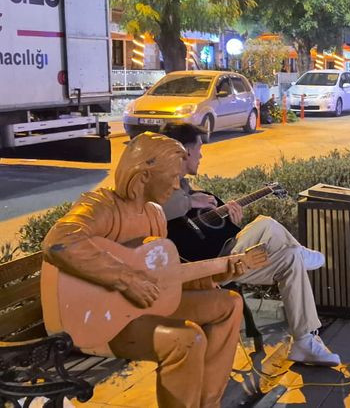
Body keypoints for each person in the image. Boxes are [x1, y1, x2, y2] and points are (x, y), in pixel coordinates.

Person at [43, 132, 248, 408]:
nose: (178, 185)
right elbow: (58, 242)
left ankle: (208, 403)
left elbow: (165, 276)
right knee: (187, 339)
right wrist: (125, 278)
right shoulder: (101, 206)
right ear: (144, 175)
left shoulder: (154, 214)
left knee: (230, 303)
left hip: (146, 308)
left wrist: (220, 273)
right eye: (173, 176)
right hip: (106, 322)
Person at [159, 123, 341, 366]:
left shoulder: (183, 186)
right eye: (199, 148)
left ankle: (304, 341)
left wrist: (232, 223)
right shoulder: (161, 186)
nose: (202, 154)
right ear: (183, 151)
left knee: (290, 260)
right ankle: (303, 251)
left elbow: (203, 233)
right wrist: (191, 201)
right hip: (207, 269)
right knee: (267, 224)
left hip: (232, 260)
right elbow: (159, 211)